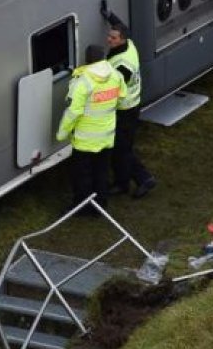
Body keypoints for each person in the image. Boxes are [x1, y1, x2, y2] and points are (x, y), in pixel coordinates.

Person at [56, 45, 126, 215]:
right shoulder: (116, 76)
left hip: (85, 140)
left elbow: (73, 112)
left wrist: (62, 134)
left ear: (87, 60)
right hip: (107, 136)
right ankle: (100, 205)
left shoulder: (82, 81)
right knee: (101, 172)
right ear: (102, 57)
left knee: (82, 176)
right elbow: (122, 100)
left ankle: (81, 208)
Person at [103, 16, 157, 199]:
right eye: (109, 36)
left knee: (121, 148)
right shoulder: (130, 45)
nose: (109, 40)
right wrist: (109, 15)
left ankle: (143, 179)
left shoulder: (123, 65)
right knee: (120, 147)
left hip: (125, 110)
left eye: (113, 38)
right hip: (131, 105)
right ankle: (123, 182)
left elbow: (113, 88)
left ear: (122, 40)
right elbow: (123, 27)